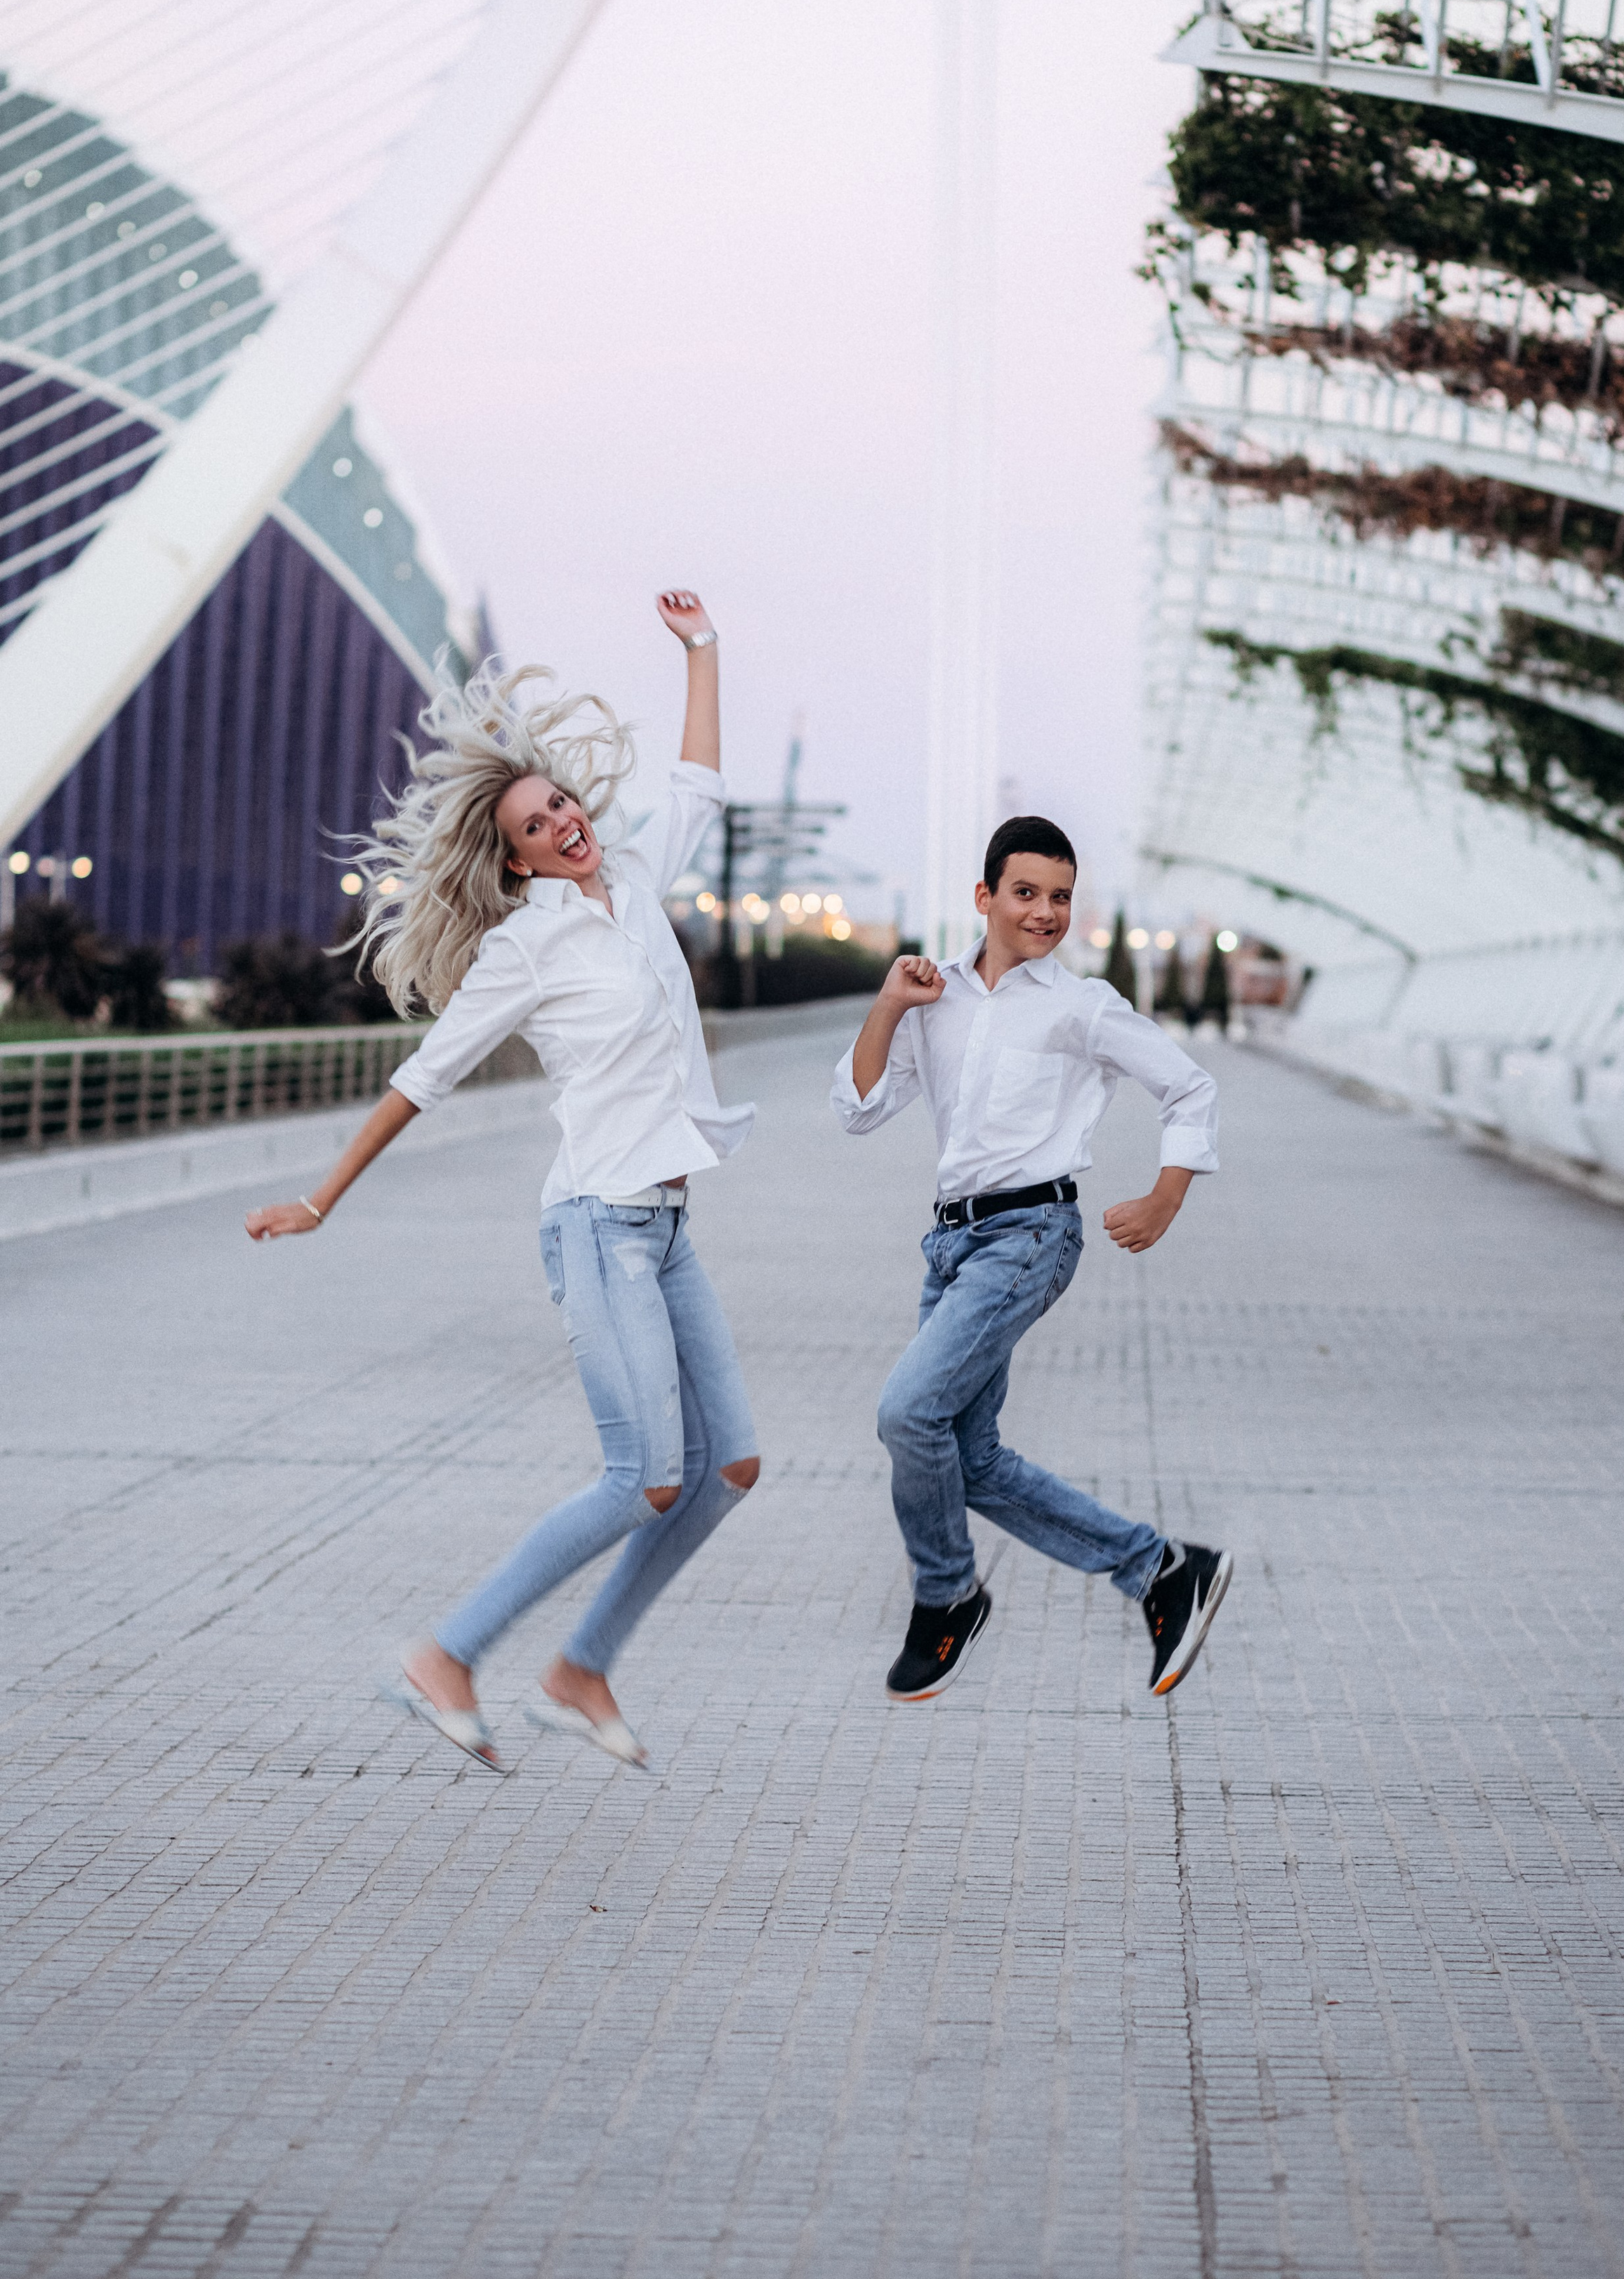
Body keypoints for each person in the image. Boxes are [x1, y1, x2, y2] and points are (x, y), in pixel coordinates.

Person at [245, 592, 759, 1773]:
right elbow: (423, 1079)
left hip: (667, 1227)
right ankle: (447, 1656)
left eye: (565, 802)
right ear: (514, 853)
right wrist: (323, 1197)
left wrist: (703, 652)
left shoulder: (632, 878)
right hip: (598, 1228)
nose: (566, 824)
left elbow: (698, 785)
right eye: (540, 822)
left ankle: (580, 1672)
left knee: (726, 1468)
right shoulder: (527, 947)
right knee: (646, 1478)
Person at [831, 815, 1232, 1703]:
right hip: (950, 1244)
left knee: (907, 1414)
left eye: (1059, 897)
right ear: (985, 897)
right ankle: (1163, 1569)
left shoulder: (1080, 1006)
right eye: (1026, 893)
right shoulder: (933, 997)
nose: (1044, 912)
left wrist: (1166, 1197)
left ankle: (946, 1598)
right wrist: (891, 1001)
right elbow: (857, 1108)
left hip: (1029, 1236)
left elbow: (1189, 1086)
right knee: (967, 1461)